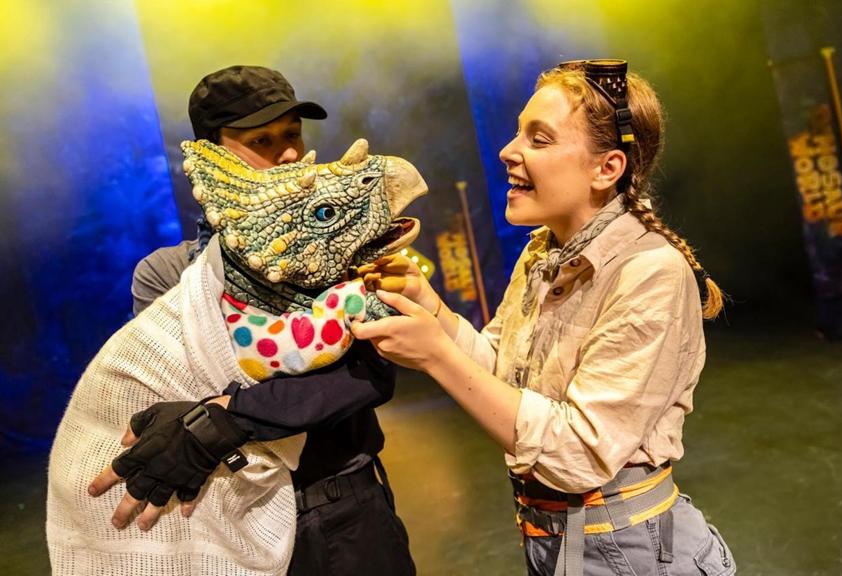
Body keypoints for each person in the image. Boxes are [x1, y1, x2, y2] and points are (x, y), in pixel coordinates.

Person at [352, 60, 736, 575]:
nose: (508, 151)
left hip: (631, 554)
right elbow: (503, 369)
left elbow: (579, 453)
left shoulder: (650, 271)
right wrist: (433, 309)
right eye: (518, 133)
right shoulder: (543, 253)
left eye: (539, 139)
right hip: (556, 540)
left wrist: (438, 356)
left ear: (607, 168)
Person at [88, 65, 415, 576]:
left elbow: (366, 377)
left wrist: (230, 416)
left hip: (349, 511)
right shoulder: (169, 274)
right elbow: (173, 399)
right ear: (214, 156)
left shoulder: (337, 250)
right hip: (232, 525)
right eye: (262, 140)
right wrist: (219, 417)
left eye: (292, 135)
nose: (287, 153)